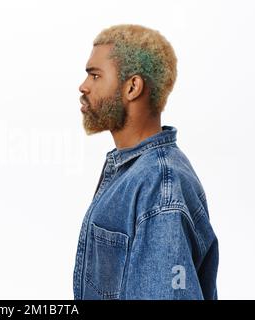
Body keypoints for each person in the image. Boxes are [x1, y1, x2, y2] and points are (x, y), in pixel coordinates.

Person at [73, 24, 219, 300]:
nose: (83, 86)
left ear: (132, 87)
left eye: (95, 75)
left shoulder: (159, 187)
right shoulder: (134, 172)